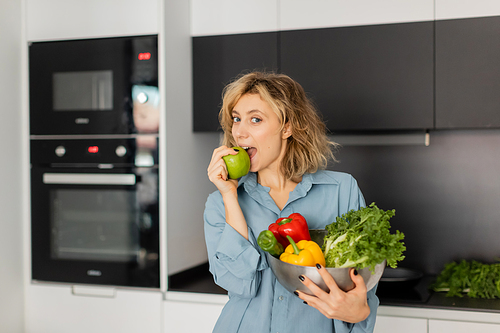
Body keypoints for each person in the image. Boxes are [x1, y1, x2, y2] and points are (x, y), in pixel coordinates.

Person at [204, 72, 378, 332]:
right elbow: (240, 284)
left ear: (287, 127)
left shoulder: (342, 191)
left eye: (255, 119)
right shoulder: (221, 202)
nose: (239, 132)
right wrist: (229, 195)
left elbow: (363, 283)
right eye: (236, 119)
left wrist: (360, 311)